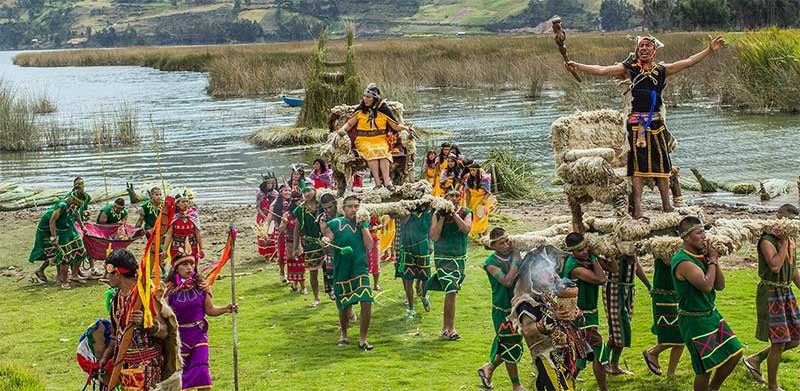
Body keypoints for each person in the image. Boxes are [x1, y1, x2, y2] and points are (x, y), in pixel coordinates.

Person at [566, 35, 726, 219]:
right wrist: (577, 66)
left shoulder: (662, 70)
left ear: (654, 51)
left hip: (657, 124)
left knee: (663, 166)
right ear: (637, 50)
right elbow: (602, 70)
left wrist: (709, 50)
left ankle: (667, 205)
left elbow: (688, 62)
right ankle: (638, 208)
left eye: (647, 46)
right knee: (638, 168)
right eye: (641, 46)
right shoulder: (629, 69)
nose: (643, 48)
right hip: (636, 126)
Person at [671, 216, 742, 391]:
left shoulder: (701, 256)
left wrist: (712, 260)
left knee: (735, 352)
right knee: (704, 369)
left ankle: (713, 389)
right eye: (699, 232)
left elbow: (719, 285)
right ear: (686, 237)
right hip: (694, 321)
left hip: (711, 315)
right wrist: (713, 260)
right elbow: (706, 285)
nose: (704, 236)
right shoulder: (683, 261)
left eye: (704, 232)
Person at [98, 249, 181, 390]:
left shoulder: (145, 296)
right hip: (124, 364)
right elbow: (117, 333)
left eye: (108, 273)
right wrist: (106, 357)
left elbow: (164, 332)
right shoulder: (116, 298)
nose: (106, 277)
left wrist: (146, 324)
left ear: (117, 273)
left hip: (148, 366)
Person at [743, 204, 800, 391]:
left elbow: (791, 270)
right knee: (779, 342)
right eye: (788, 221)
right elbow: (775, 266)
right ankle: (773, 386)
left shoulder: (791, 241)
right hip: (771, 293)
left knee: (795, 337)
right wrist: (784, 241)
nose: (790, 226)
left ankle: (755, 359)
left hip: (786, 292)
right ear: (779, 218)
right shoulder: (767, 240)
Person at [166, 250, 237, 391]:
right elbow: (164, 316)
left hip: (199, 334)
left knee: (202, 374)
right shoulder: (169, 291)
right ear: (176, 269)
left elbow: (210, 310)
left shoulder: (202, 286)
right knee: (179, 378)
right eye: (184, 264)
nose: (189, 268)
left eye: (191, 264)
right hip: (179, 339)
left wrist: (226, 309)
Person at [561, 232, 616, 391]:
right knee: (598, 348)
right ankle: (603, 388)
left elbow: (613, 268)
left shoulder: (588, 259)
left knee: (581, 354)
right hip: (577, 314)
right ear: (572, 252)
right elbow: (601, 279)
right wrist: (593, 258)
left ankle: (563, 384)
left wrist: (607, 252)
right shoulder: (574, 266)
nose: (585, 251)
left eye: (586, 247)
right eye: (580, 250)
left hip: (590, 313)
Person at [320, 195, 375, 350]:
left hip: (359, 267)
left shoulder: (363, 224)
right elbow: (328, 239)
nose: (353, 209)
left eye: (356, 206)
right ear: (343, 209)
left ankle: (362, 339)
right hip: (342, 268)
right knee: (343, 304)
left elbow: (370, 245)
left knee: (366, 300)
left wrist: (364, 226)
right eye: (350, 206)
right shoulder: (336, 223)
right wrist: (326, 242)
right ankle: (344, 334)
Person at [476, 228, 526, 391]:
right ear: (493, 246)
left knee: (510, 343)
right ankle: (516, 385)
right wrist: (516, 259)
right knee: (510, 344)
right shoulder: (490, 263)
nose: (506, 245)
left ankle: (488, 368)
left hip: (518, 306)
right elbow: (507, 281)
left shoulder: (515, 254)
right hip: (502, 310)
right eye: (501, 243)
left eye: (507, 241)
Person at [337, 83, 411, 191]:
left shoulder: (383, 110)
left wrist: (405, 128)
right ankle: (377, 182)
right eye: (365, 96)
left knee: (382, 151)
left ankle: (387, 181)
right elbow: (349, 124)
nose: (365, 99)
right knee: (371, 151)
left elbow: (395, 126)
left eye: (368, 97)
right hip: (363, 140)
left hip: (380, 138)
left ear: (374, 98)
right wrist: (342, 129)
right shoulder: (360, 110)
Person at [424, 190, 472, 340]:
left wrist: (454, 214)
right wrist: (443, 218)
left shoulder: (466, 212)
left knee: (451, 291)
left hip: (459, 258)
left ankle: (446, 327)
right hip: (442, 257)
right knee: (451, 289)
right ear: (445, 198)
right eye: (450, 196)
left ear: (460, 198)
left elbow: (466, 229)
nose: (454, 198)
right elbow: (434, 236)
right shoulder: (437, 214)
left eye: (457, 196)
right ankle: (451, 329)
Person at [601, 255, 650, 375]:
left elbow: (636, 265)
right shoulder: (609, 247)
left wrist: (648, 284)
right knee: (620, 330)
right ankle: (603, 362)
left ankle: (613, 364)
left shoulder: (631, 247)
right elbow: (603, 264)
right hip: (613, 288)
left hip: (629, 290)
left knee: (619, 330)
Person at [29, 191, 88, 289]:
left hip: (67, 229)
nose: (78, 205)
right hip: (50, 229)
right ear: (73, 199)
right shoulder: (62, 205)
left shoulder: (74, 205)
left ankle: (74, 275)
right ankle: (62, 279)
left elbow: (76, 213)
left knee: (81, 251)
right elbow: (52, 221)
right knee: (62, 255)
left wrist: (82, 226)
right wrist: (54, 237)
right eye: (78, 203)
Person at [643, 255, 685, 377]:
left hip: (678, 291)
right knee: (678, 334)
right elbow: (668, 260)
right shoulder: (662, 243)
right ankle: (653, 352)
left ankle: (671, 373)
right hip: (664, 293)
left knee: (682, 334)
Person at [396, 204, 433, 319]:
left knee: (425, 277)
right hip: (408, 249)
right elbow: (394, 213)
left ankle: (424, 295)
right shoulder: (404, 211)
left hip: (423, 248)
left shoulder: (427, 213)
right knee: (408, 279)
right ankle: (411, 309)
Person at [294, 187, 327, 306]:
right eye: (304, 192)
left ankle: (331, 290)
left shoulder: (322, 205)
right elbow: (297, 229)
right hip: (309, 244)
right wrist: (296, 247)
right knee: (313, 272)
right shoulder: (300, 210)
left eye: (309, 191)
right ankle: (316, 297)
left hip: (325, 241)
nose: (307, 194)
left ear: (314, 191)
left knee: (329, 269)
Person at [165, 193, 204, 261]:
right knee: (178, 266)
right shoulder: (173, 215)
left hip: (192, 246)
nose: (185, 204)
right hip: (177, 247)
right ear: (177, 203)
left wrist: (201, 248)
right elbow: (169, 234)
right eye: (183, 202)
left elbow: (197, 232)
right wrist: (165, 250)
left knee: (192, 267)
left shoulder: (193, 215)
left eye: (187, 201)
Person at [281, 191, 305, 294]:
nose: (301, 203)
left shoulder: (303, 213)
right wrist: (284, 222)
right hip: (290, 242)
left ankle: (303, 286)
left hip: (301, 241)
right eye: (300, 201)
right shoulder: (287, 214)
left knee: (300, 263)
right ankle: (294, 284)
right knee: (291, 263)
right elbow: (281, 229)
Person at [464, 161, 495, 236]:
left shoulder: (485, 179)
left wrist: (484, 201)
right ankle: (480, 235)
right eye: (471, 170)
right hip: (473, 200)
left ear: (478, 170)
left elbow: (488, 192)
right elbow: (468, 193)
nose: (472, 172)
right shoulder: (468, 179)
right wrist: (467, 205)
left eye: (474, 170)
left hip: (483, 200)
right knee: (474, 218)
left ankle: (485, 235)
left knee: (483, 218)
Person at [272, 184, 293, 283]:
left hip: (291, 231)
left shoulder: (293, 202)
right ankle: (282, 271)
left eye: (289, 190)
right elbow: (270, 218)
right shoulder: (275, 204)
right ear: (280, 192)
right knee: (281, 254)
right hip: (280, 232)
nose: (288, 192)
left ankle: (290, 274)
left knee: (291, 254)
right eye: (285, 190)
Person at [256, 174, 279, 263]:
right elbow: (258, 207)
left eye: (271, 183)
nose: (270, 185)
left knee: (272, 235)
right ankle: (266, 255)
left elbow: (276, 206)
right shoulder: (259, 193)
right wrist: (264, 216)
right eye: (268, 184)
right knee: (263, 235)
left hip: (272, 216)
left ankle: (273, 254)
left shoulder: (275, 193)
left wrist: (272, 216)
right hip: (262, 216)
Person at [320, 193, 338, 300]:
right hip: (331, 249)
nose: (328, 210)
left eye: (330, 207)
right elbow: (327, 234)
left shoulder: (342, 213)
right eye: (325, 208)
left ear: (335, 204)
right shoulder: (323, 218)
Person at [367, 214, 382, 291]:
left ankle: (376, 284)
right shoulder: (360, 213)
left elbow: (381, 224)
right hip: (363, 240)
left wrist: (376, 227)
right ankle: (365, 284)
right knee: (364, 263)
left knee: (376, 262)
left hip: (374, 240)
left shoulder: (375, 213)